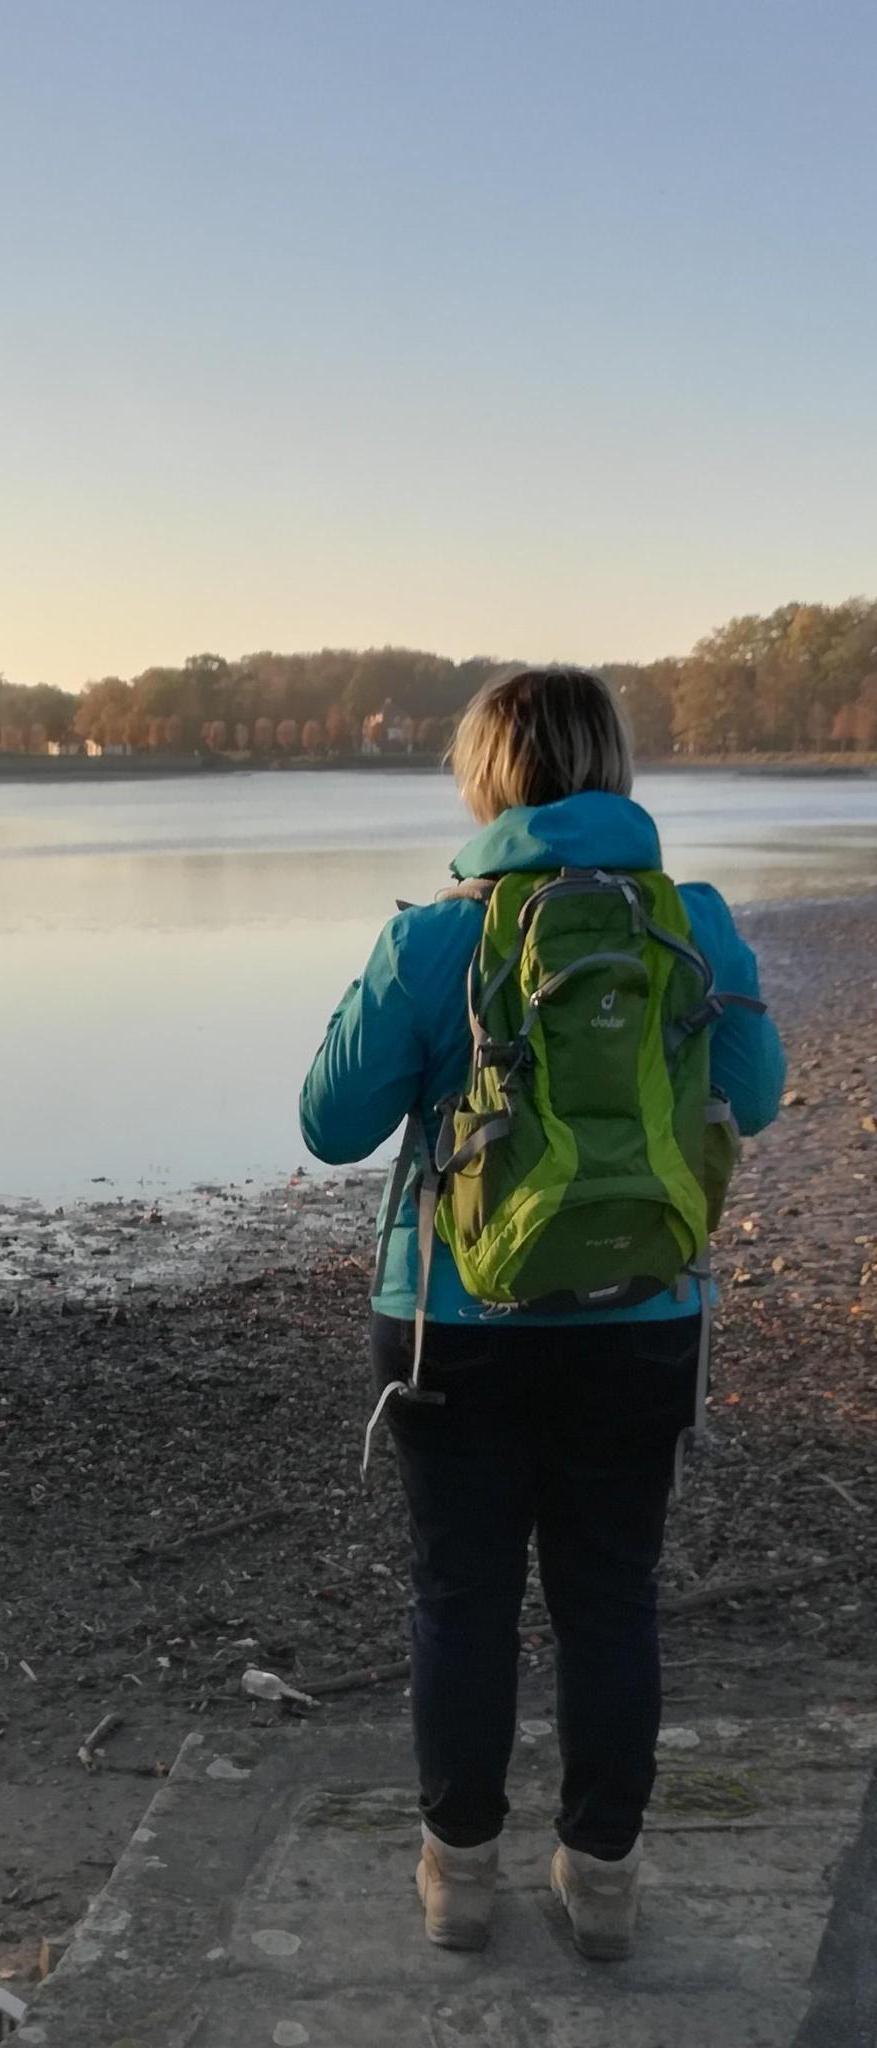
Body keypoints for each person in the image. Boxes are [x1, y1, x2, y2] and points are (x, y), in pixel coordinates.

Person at [298, 667, 785, 1960]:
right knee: (610, 1596)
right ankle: (602, 1876)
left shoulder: (434, 938)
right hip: (642, 1312)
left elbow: (330, 1124)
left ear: (485, 779)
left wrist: (398, 995)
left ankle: (460, 1875)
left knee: (462, 1596)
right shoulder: (693, 920)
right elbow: (756, 1095)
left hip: (451, 1322)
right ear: (615, 768)